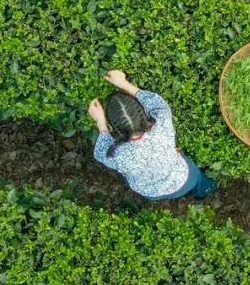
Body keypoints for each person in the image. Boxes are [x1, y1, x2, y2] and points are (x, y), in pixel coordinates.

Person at [88, 70, 217, 201]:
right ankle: (204, 191)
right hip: (183, 180)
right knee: (199, 182)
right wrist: (123, 83)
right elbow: (155, 102)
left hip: (151, 192)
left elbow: (100, 153)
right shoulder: (162, 122)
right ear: (143, 112)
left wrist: (100, 121)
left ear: (114, 129)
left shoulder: (118, 155)